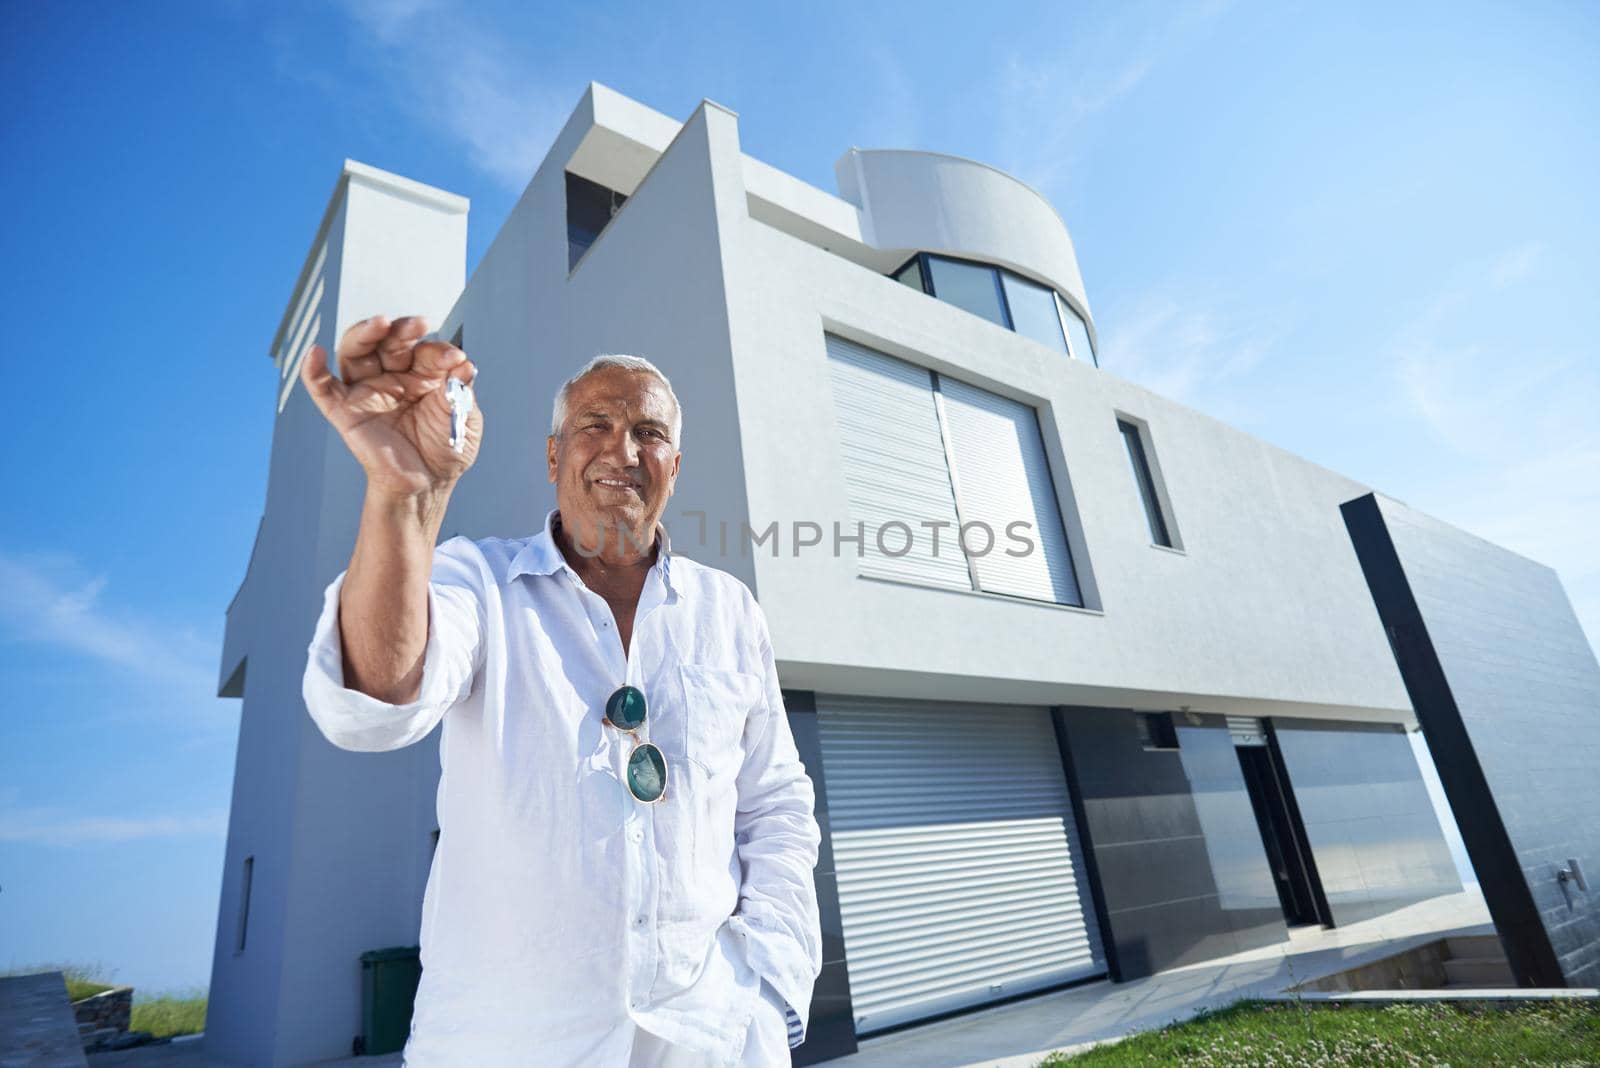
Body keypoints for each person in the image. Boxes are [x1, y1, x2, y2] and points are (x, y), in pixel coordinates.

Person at [298, 314, 822, 1066]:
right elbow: (378, 701)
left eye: (649, 431)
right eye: (595, 425)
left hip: (712, 1039)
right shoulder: (476, 580)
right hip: (506, 1043)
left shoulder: (731, 609)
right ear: (552, 455)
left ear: (677, 464)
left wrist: (770, 986)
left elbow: (775, 802)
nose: (623, 448)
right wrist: (405, 497)